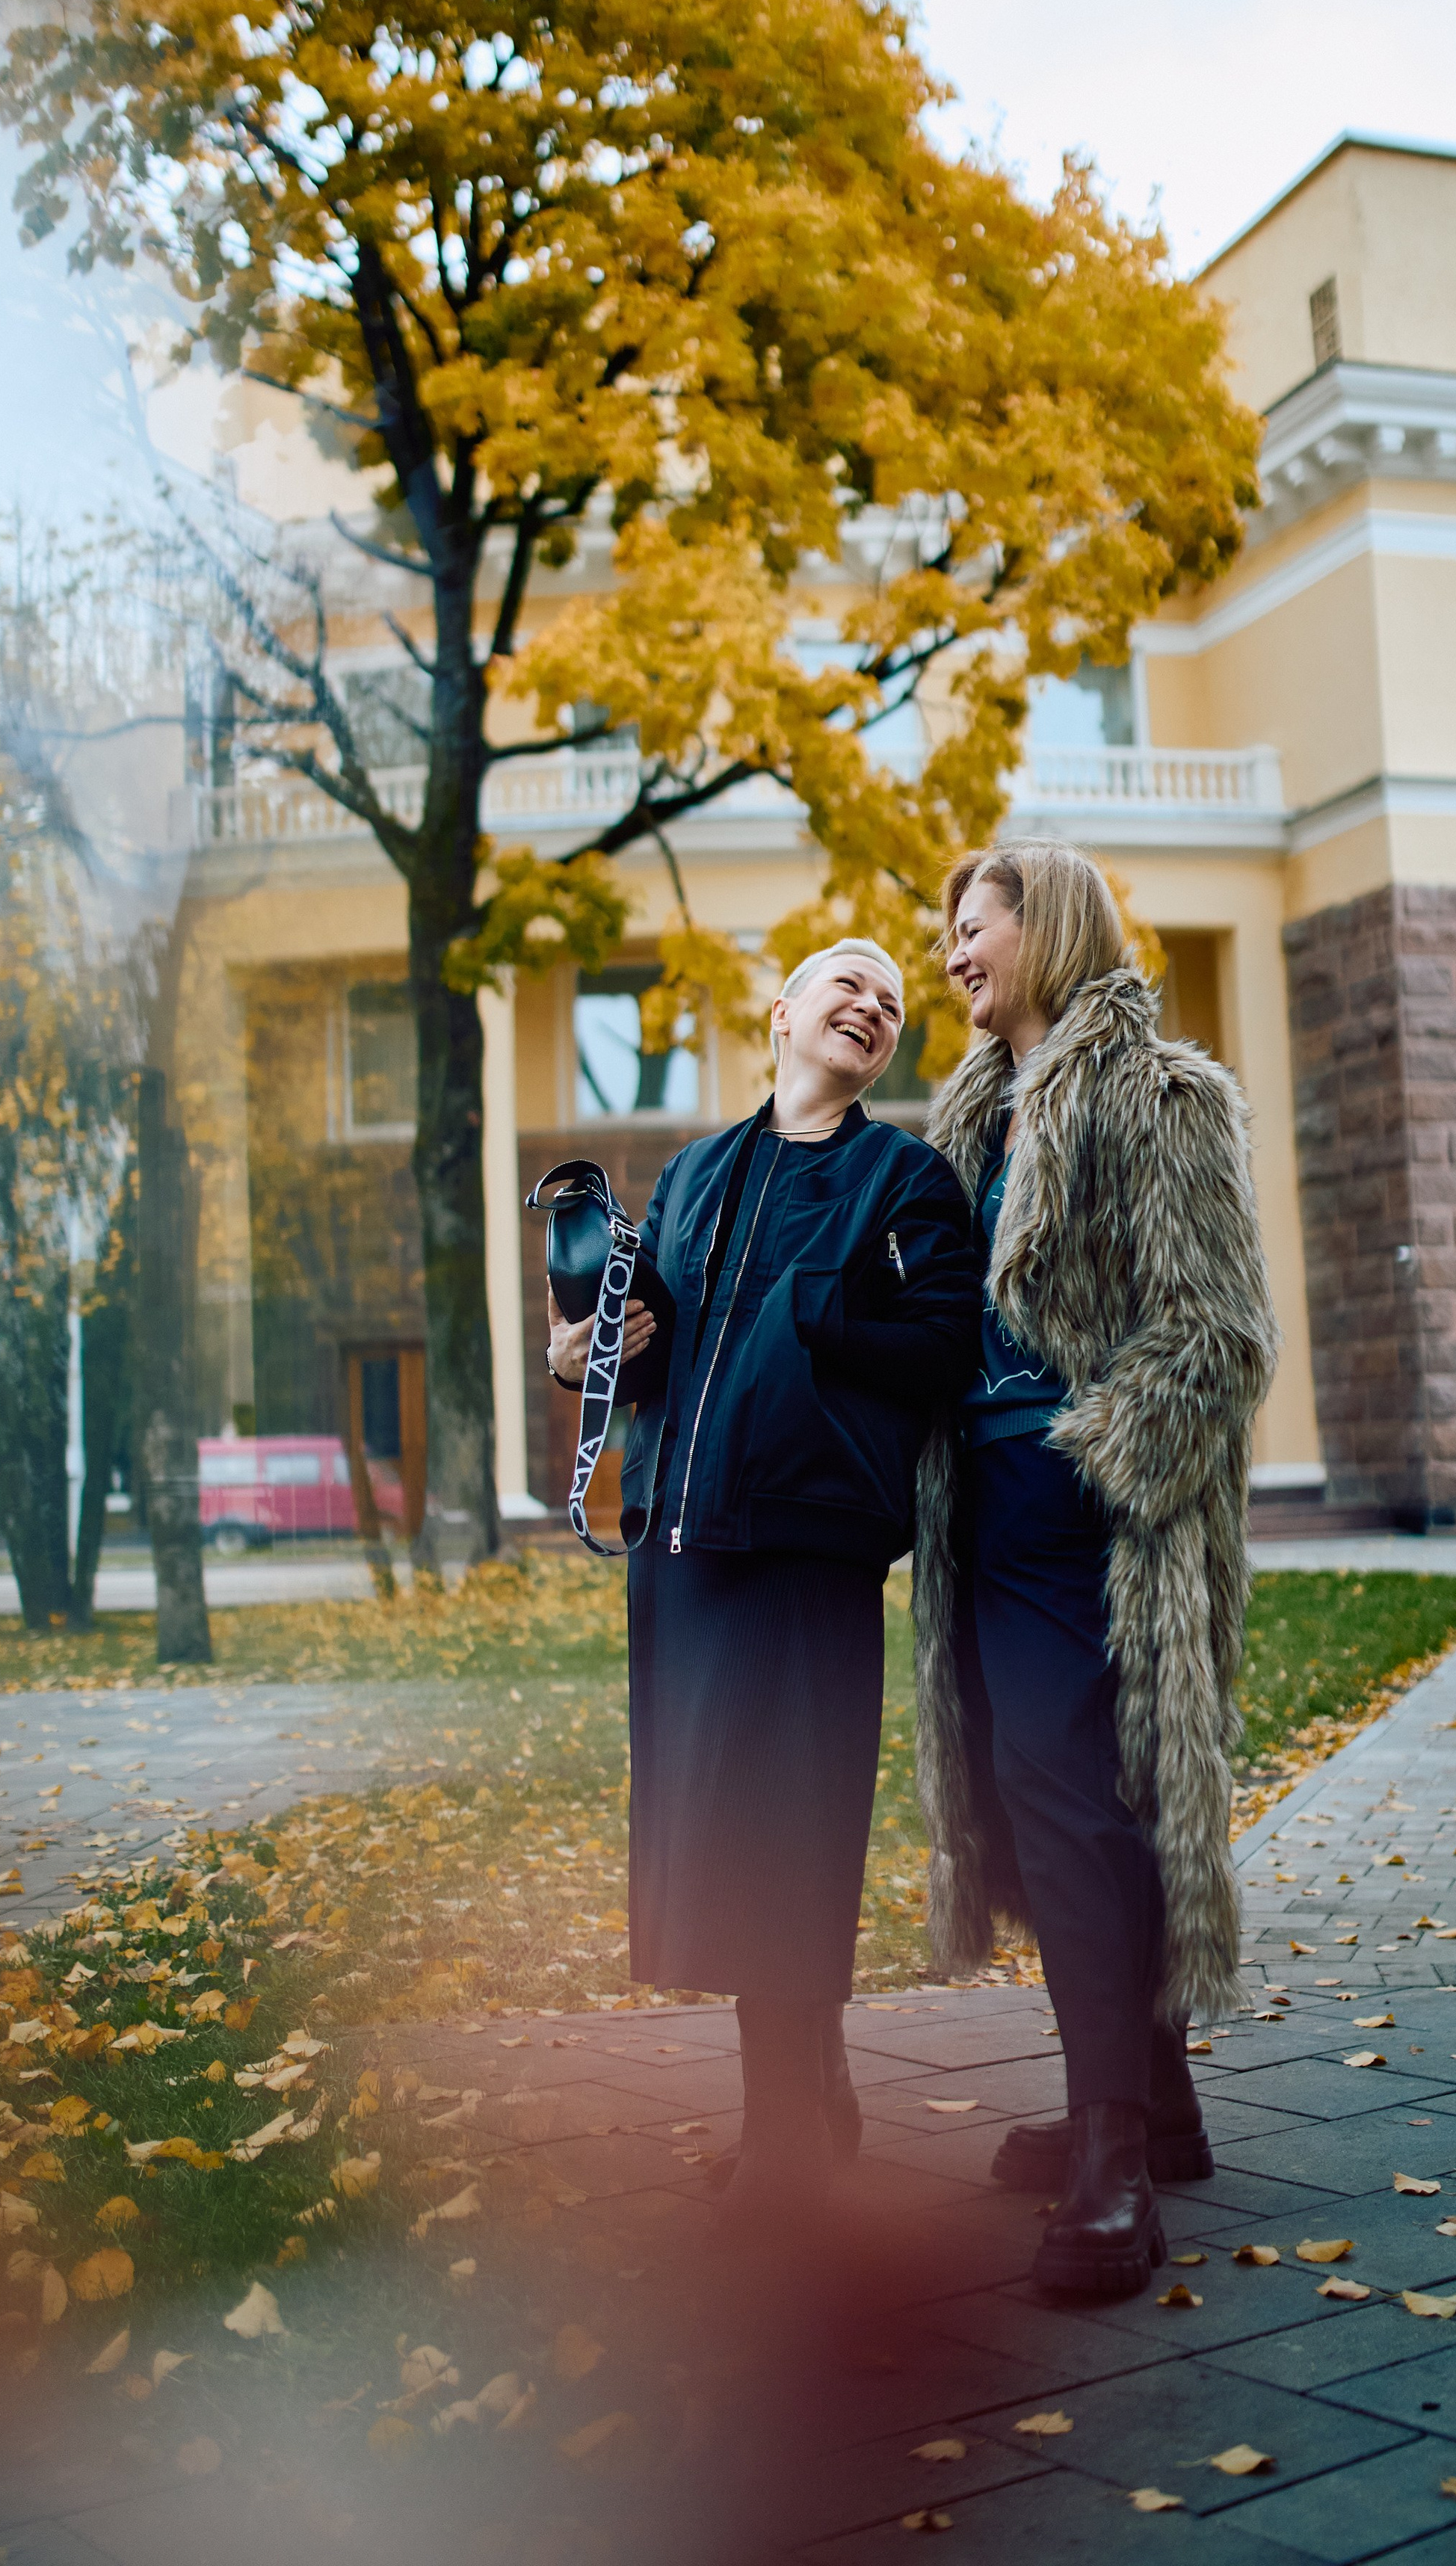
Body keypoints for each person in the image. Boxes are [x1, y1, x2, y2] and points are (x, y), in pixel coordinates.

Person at [546, 939, 980, 2229]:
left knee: (794, 1838)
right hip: (685, 1547)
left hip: (809, 1545)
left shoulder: (905, 1178)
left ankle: (794, 2124)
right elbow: (661, 1352)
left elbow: (945, 1344)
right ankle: (799, 2105)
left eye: (894, 1002)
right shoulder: (692, 1178)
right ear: (782, 1014)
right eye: (848, 984)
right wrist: (590, 1354)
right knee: (727, 1848)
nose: (876, 1004)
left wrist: (810, 1314)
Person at [910, 845, 1277, 2303]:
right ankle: (1156, 2102)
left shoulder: (1160, 1096)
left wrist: (1088, 1459)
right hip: (983, 1519)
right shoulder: (961, 1122)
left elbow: (1218, 1333)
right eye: (942, 929)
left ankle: (1112, 2155)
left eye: (968, 923)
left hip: (1089, 1511)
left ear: (1042, 923)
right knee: (1052, 1802)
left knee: (1073, 1808)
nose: (949, 951)